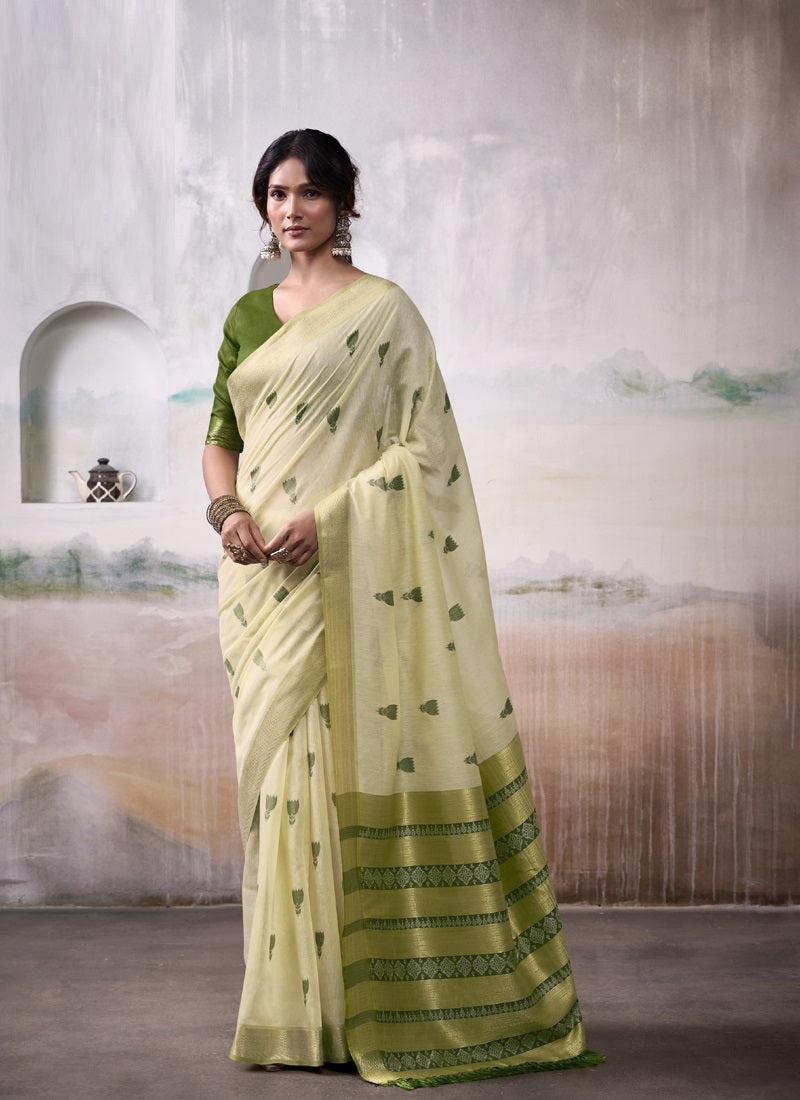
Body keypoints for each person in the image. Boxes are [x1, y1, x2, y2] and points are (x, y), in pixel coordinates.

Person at [203, 128, 603, 1087]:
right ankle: (300, 1014)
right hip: (263, 583)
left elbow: (426, 454)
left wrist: (332, 518)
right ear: (262, 206)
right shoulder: (248, 316)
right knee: (281, 790)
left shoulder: (386, 312)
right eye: (276, 194)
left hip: (346, 574)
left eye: (309, 192)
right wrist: (227, 513)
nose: (291, 209)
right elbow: (221, 438)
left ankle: (372, 1006)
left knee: (341, 768)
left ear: (344, 203)